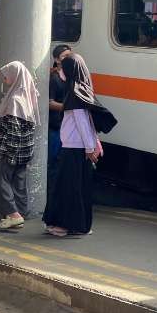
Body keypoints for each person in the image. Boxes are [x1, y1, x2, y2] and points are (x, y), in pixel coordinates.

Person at [43, 54, 107, 237]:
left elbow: (81, 122)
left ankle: (64, 226)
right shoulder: (84, 89)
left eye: (63, 67)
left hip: (73, 147)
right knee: (80, 188)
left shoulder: (74, 92)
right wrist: (94, 144)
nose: (60, 70)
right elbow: (88, 122)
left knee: (67, 187)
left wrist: (90, 148)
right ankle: (81, 225)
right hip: (80, 147)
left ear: (70, 70)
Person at [0, 61, 38, 230]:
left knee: (1, 180)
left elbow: (13, 131)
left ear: (15, 76)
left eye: (6, 75)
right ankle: (22, 211)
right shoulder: (28, 95)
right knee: (19, 182)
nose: (5, 79)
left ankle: (13, 215)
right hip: (26, 150)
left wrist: (9, 154)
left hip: (11, 150)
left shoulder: (14, 99)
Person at [48, 45, 71, 171]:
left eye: (70, 56)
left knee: (61, 161)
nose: (69, 59)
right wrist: (67, 107)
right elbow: (49, 102)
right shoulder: (54, 78)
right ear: (57, 60)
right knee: (54, 160)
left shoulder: (69, 77)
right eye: (65, 56)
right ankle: (51, 189)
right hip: (56, 126)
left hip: (66, 125)